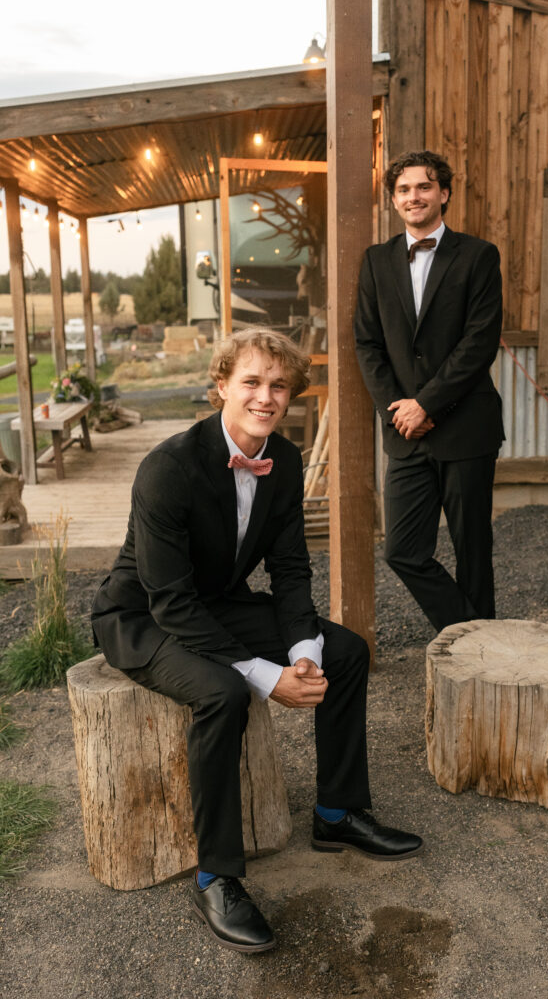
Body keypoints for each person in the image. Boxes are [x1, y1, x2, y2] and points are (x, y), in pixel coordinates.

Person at [91, 327, 422, 954]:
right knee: (223, 693)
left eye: (279, 386)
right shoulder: (168, 468)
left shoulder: (286, 461)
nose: (265, 397)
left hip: (217, 603)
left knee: (346, 652)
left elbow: (291, 569)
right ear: (221, 386)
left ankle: (337, 814)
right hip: (143, 615)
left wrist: (303, 653)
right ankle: (216, 876)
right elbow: (171, 601)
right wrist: (268, 678)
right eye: (250, 382)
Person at [354, 150, 504, 633]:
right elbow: (367, 344)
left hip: (466, 428)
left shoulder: (478, 256)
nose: (413, 196)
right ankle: (473, 632)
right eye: (403, 189)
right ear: (394, 200)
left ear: (444, 193)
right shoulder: (376, 261)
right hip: (406, 433)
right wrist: (398, 412)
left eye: (423, 186)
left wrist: (427, 403)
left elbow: (479, 343)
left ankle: (479, 658)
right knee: (402, 551)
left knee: (472, 550)